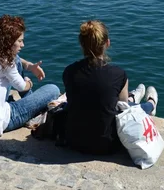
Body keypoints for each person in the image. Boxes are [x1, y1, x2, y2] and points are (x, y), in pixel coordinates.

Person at [62, 20, 158, 154]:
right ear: (107, 43)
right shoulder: (118, 74)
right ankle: (150, 104)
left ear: (81, 44)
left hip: (73, 140)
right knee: (128, 107)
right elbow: (123, 110)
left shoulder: (69, 72)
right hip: (107, 144)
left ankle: (134, 97)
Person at [0, 15, 60, 136]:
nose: (23, 45)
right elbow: (22, 87)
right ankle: (31, 107)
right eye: (19, 41)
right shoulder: (6, 63)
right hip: (1, 121)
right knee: (53, 89)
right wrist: (29, 82)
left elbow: (16, 60)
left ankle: (29, 104)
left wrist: (29, 66)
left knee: (16, 59)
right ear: (8, 42)